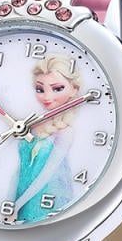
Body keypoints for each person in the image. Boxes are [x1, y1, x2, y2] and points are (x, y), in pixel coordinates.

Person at [13, 55, 80, 223]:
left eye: (57, 89)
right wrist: (11, 200)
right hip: (23, 194)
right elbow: (20, 168)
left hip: (46, 199)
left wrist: (17, 204)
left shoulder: (65, 132)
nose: (47, 97)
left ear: (74, 90)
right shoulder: (32, 124)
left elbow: (46, 174)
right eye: (40, 89)